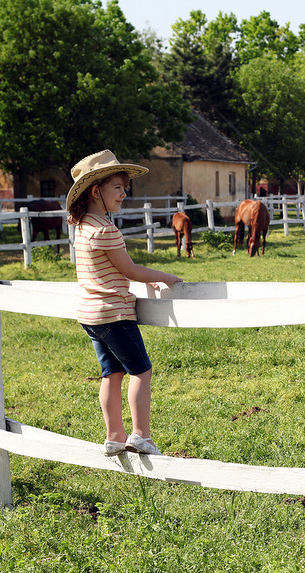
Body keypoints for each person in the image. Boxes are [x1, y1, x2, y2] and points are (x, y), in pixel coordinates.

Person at [66, 150, 182, 456]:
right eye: (117, 187)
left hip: (90, 315)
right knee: (141, 371)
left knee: (111, 373)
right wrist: (168, 276)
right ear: (96, 191)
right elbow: (129, 269)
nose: (124, 193)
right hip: (114, 314)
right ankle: (141, 435)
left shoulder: (83, 227)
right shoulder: (106, 230)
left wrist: (148, 280)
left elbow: (114, 269)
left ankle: (114, 436)